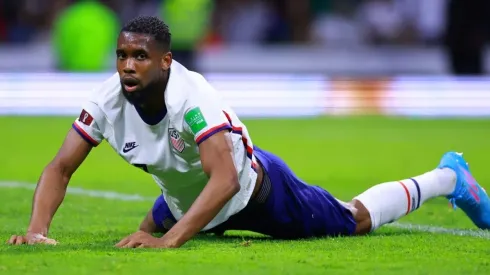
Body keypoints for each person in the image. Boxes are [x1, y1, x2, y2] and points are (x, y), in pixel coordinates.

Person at [7, 16, 490, 248]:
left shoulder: (193, 99)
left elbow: (225, 181)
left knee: (354, 220)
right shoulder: (107, 101)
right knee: (144, 230)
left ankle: (447, 178)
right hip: (183, 195)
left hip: (254, 192)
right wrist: (37, 232)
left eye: (140, 56)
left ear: (166, 61)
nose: (127, 66)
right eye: (121, 56)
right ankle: (173, 221)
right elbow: (60, 166)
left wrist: (169, 240)